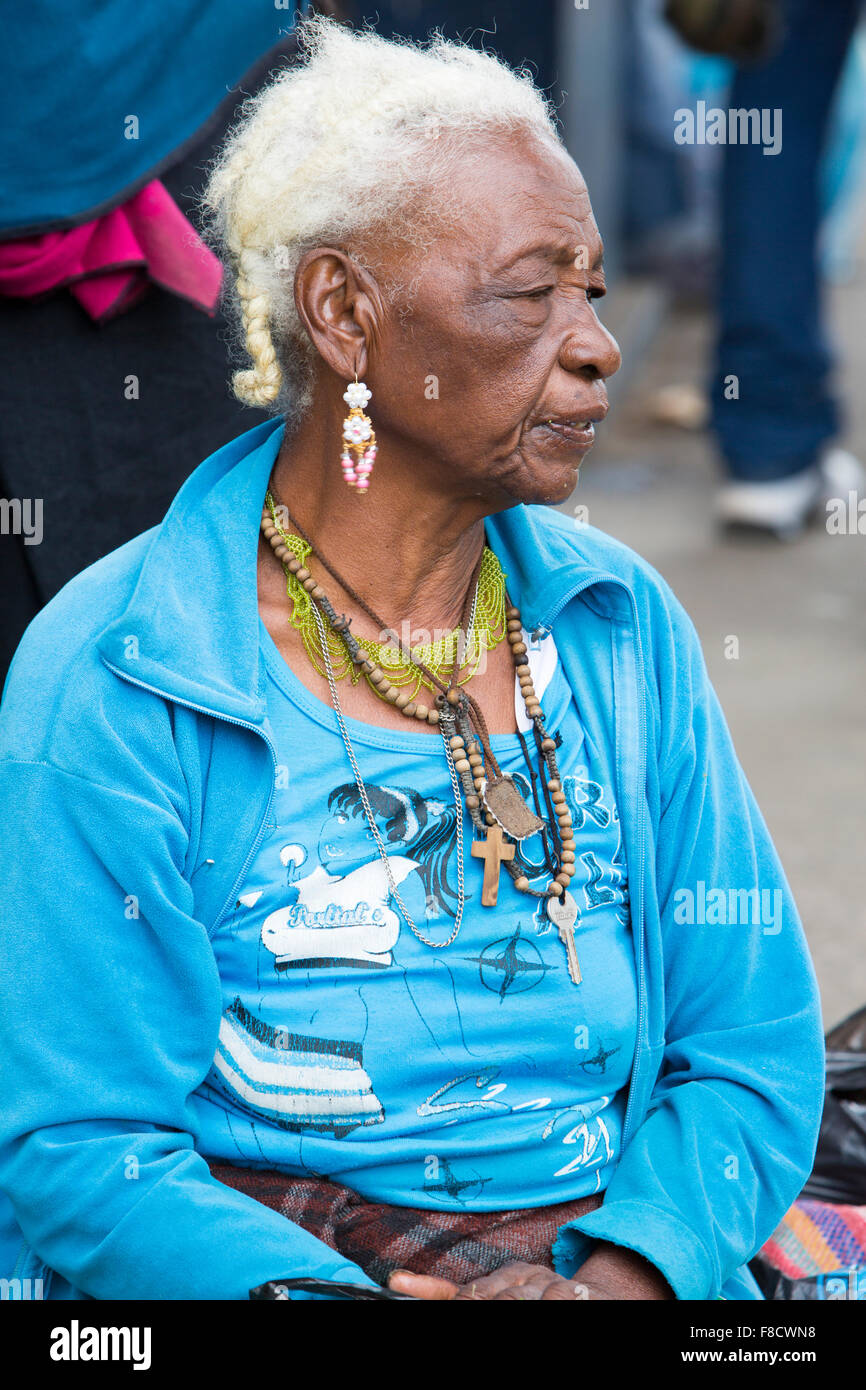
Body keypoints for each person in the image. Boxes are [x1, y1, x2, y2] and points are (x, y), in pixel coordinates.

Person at [0, 16, 824, 1301]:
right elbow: (80, 1143)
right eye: (530, 288)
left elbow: (746, 1049)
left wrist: (621, 1278)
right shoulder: (120, 673)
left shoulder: (617, 625)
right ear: (344, 313)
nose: (597, 341)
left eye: (593, 288)